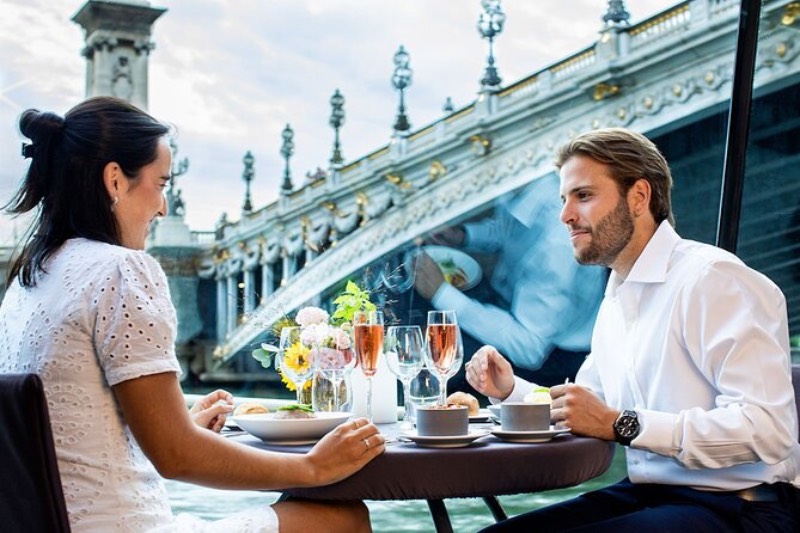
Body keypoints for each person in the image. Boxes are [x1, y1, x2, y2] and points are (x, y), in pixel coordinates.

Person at [0, 96, 385, 532]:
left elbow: (73, 435)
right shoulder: (121, 269)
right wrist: (314, 468)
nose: (163, 207)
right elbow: (177, 457)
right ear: (115, 181)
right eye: (161, 184)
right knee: (341, 517)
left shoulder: (29, 279)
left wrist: (179, 426)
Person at [467, 128, 800, 531]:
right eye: (563, 199)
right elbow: (590, 404)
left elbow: (768, 431)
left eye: (583, 196)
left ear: (639, 197)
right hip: (652, 496)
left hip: (744, 509)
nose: (565, 215)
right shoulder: (617, 295)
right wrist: (511, 389)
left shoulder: (713, 279)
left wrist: (622, 425)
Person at [414, 173, 607, 386]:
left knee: (424, 353)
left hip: (553, 356)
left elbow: (529, 349)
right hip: (508, 306)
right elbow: (508, 229)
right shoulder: (522, 183)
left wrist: (441, 293)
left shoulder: (557, 247)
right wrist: (464, 235)